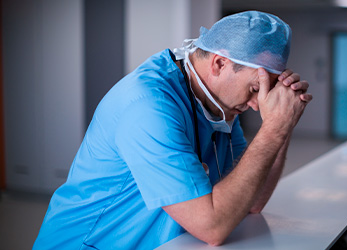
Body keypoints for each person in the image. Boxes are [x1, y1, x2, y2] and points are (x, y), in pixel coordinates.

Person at [33, 10, 312, 249]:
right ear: (219, 63)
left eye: (267, 91)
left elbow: (251, 202)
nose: (256, 105)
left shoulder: (220, 108)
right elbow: (212, 226)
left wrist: (282, 124)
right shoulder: (148, 106)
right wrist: (273, 129)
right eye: (255, 89)